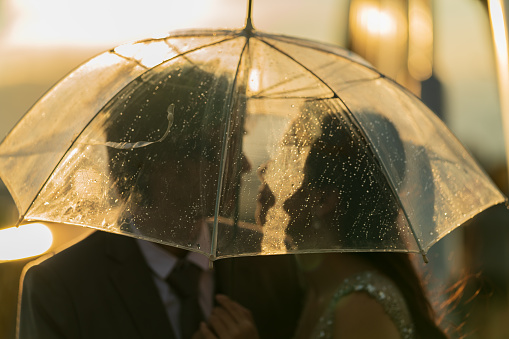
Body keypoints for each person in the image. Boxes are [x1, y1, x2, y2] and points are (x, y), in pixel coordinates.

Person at [17, 62, 303, 339]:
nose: (244, 165)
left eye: (238, 140)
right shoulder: (60, 287)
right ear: (157, 160)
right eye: (219, 148)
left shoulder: (268, 260)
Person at [253, 102, 448, 339]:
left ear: (323, 199)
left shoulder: (365, 309)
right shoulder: (313, 289)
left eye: (288, 163)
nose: (264, 170)